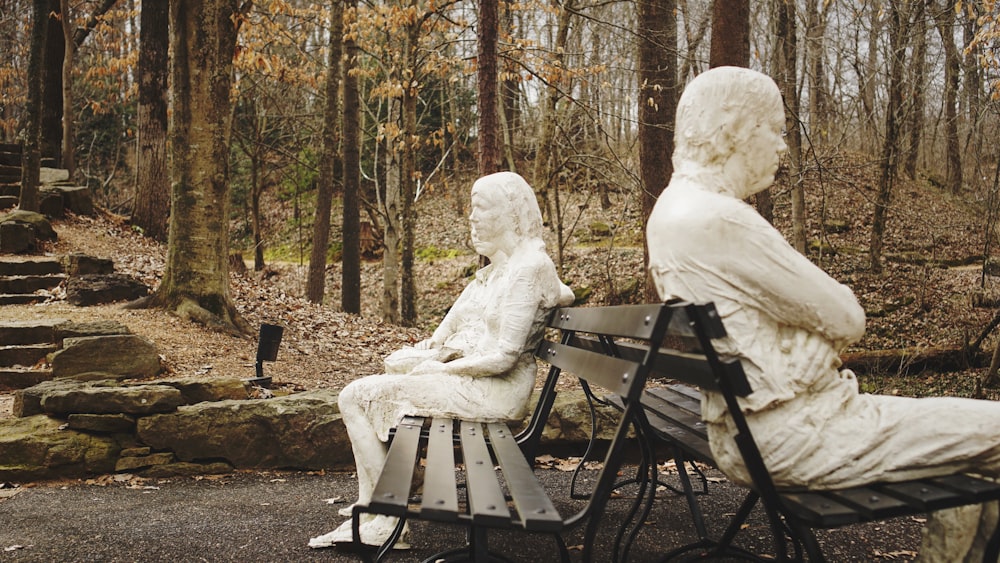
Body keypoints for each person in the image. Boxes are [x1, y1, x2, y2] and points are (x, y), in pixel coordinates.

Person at [645, 66, 1000, 560]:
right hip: (797, 434)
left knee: (974, 454)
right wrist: (814, 343)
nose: (783, 145)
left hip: (746, 429)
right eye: (775, 128)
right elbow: (847, 318)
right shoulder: (720, 218)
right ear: (737, 128)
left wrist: (804, 343)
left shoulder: (672, 210)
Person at [309, 171, 574, 549]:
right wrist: (441, 355)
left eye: (480, 208)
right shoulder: (516, 266)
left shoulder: (527, 268)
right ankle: (378, 506)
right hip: (481, 382)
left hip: (494, 391)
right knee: (376, 383)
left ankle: (385, 521)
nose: (472, 217)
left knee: (355, 396)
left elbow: (504, 357)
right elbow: (561, 294)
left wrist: (443, 366)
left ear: (510, 212)